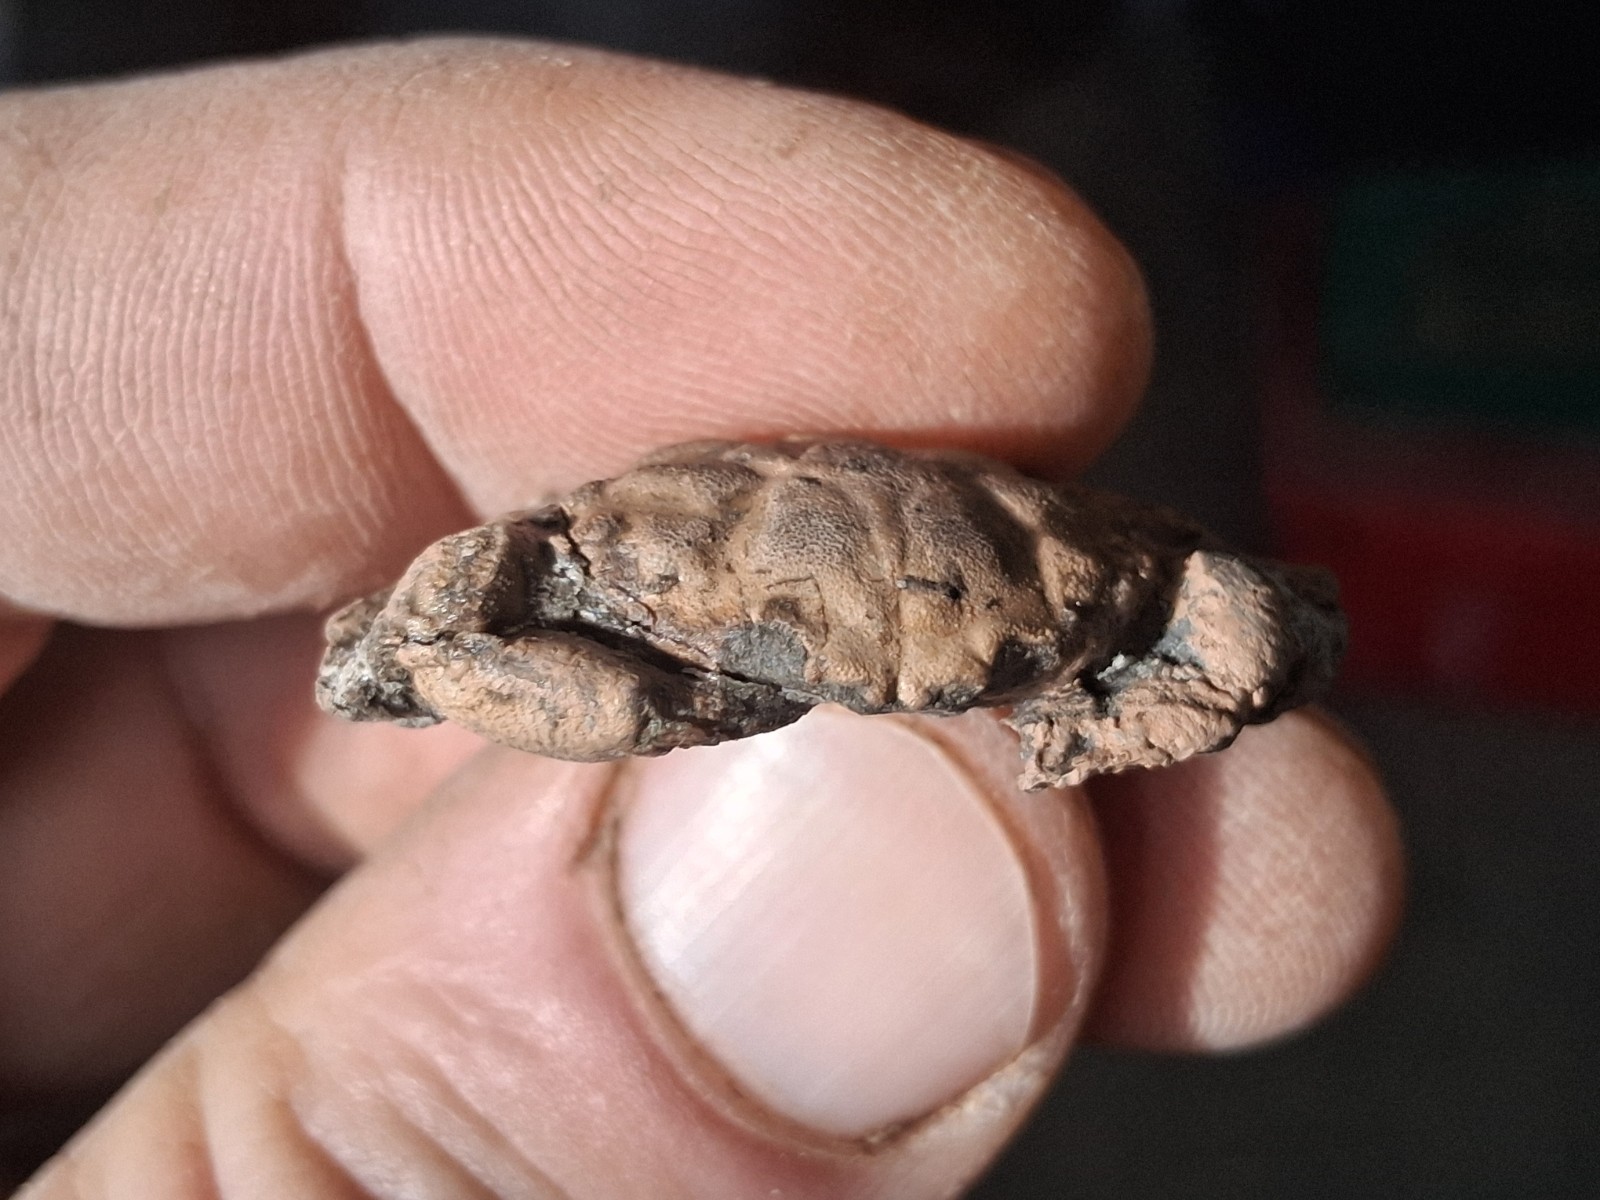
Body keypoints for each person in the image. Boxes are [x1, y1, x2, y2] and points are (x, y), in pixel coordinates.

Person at [0, 39, 1401, 1198]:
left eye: (991, 659)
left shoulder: (1129, 568)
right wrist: (590, 694)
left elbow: (1276, 624)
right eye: (795, 649)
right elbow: (389, 642)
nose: (882, 686)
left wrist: (1116, 706)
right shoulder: (585, 551)